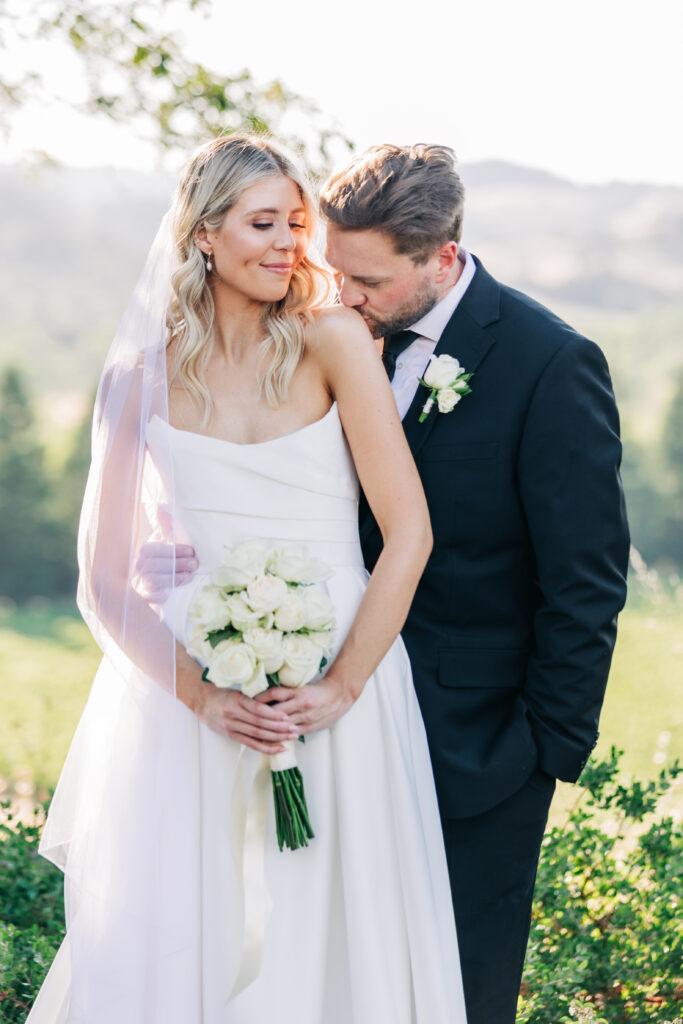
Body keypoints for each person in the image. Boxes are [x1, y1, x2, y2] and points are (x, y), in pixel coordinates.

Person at [142, 142, 630, 1024]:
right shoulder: (322, 335)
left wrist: (540, 751)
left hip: (481, 749)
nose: (343, 295)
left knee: (457, 995)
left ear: (442, 258)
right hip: (326, 722)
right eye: (335, 270)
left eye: (367, 282)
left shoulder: (548, 363)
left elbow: (585, 582)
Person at [27, 136, 468, 1024]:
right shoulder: (137, 377)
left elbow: (409, 533)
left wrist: (342, 686)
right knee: (191, 925)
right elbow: (106, 578)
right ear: (201, 235)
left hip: (340, 674)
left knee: (329, 921)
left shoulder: (336, 341)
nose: (286, 245)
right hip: (190, 683)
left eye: (296, 225)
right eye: (263, 223)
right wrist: (200, 694)